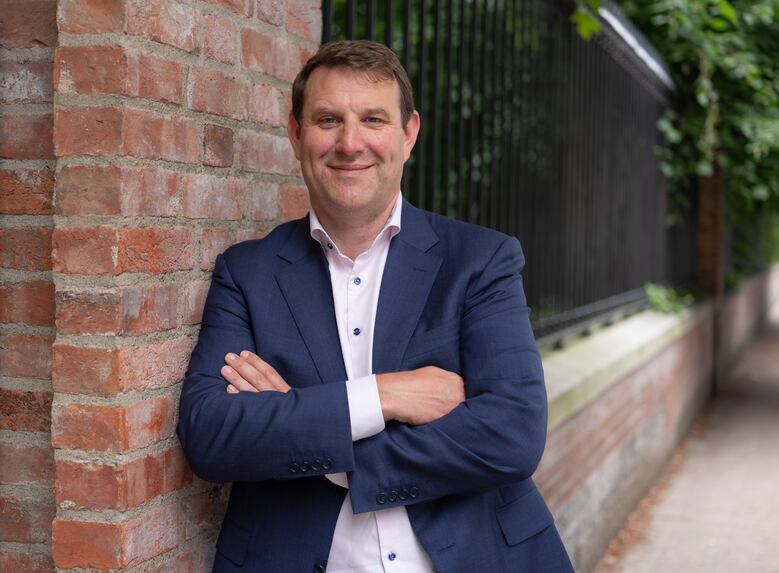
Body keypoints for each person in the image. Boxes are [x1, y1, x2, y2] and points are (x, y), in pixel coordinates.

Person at [177, 40, 572, 573]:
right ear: (296, 134)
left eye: (373, 119)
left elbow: (513, 435)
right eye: (327, 120)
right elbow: (212, 435)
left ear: (407, 134)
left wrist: (310, 426)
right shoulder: (248, 273)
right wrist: (383, 396)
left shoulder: (480, 261)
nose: (350, 142)